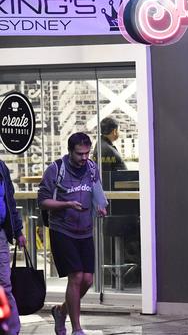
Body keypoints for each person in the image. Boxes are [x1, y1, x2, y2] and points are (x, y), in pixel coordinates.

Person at [38, 132, 107, 335]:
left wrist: (101, 206)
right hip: (62, 230)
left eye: (87, 153)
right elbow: (42, 201)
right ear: (70, 152)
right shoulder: (56, 169)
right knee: (76, 276)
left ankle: (61, 311)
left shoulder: (92, 168)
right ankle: (76, 328)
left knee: (87, 281)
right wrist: (66, 204)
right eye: (80, 154)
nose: (84, 158)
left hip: (85, 230)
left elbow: (97, 191)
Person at [0, 159, 26, 335]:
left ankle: (11, 329)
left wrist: (18, 231)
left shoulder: (1, 167)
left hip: (0, 232)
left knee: (4, 283)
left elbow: (10, 201)